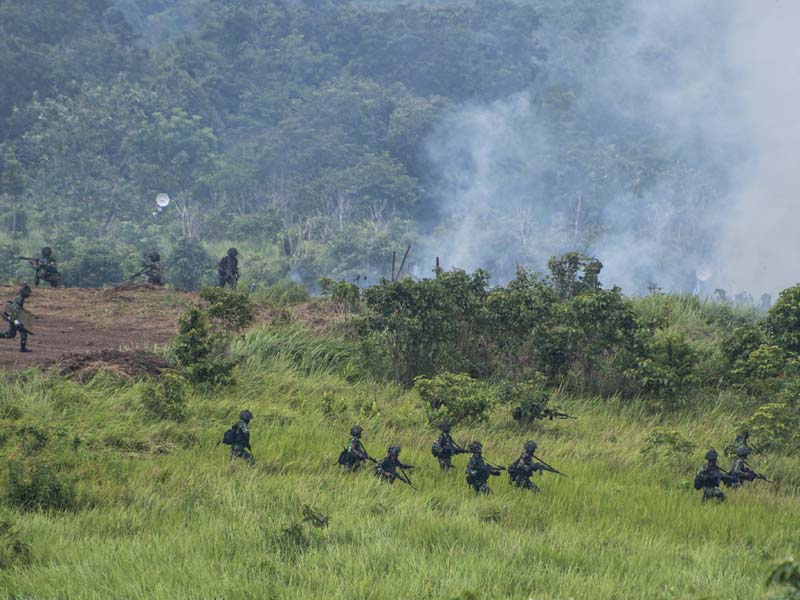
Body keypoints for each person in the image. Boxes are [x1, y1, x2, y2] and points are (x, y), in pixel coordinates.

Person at [0, 283, 32, 352]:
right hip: (11, 316)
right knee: (23, 331)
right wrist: (16, 321)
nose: (28, 294)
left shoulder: (20, 298)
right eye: (28, 292)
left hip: (9, 316)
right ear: (24, 292)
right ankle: (23, 348)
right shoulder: (19, 298)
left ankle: (23, 348)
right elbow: (15, 310)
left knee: (10, 334)